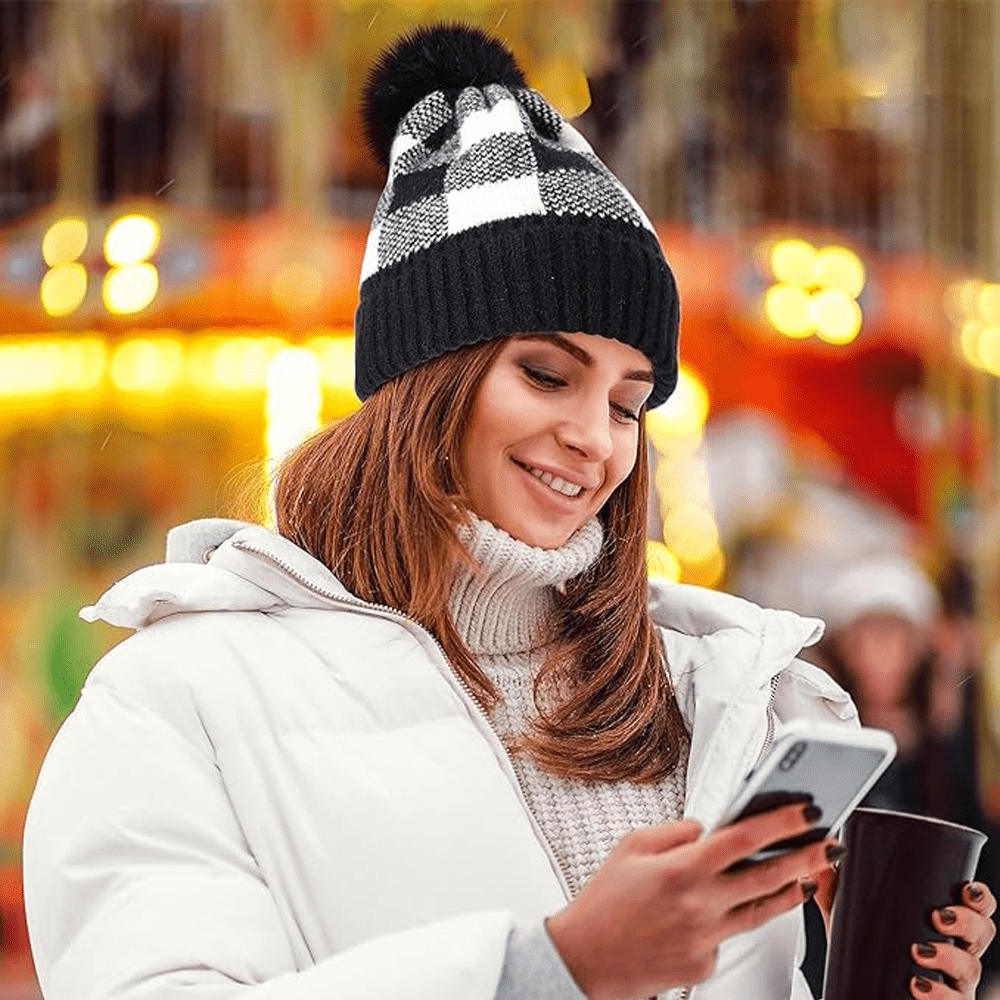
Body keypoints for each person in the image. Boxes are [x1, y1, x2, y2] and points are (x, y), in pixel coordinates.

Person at [22, 24, 995, 1000]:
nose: (594, 436)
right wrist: (549, 970)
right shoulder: (181, 695)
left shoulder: (714, 698)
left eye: (627, 400)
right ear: (423, 382)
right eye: (545, 373)